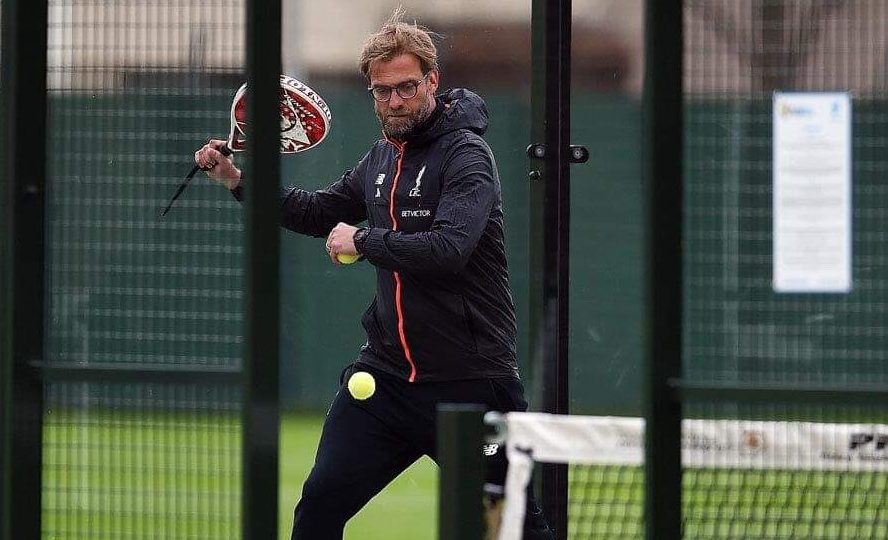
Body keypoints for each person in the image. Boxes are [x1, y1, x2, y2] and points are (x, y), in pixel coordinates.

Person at [195, 8, 554, 540]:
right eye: (382, 92)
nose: (394, 101)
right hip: (384, 383)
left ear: (432, 81)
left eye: (406, 88)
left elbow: (449, 249)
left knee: (514, 529)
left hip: (470, 382)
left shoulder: (468, 156)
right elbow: (318, 212)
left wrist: (364, 240)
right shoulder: (382, 156)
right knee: (316, 511)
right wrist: (237, 181)